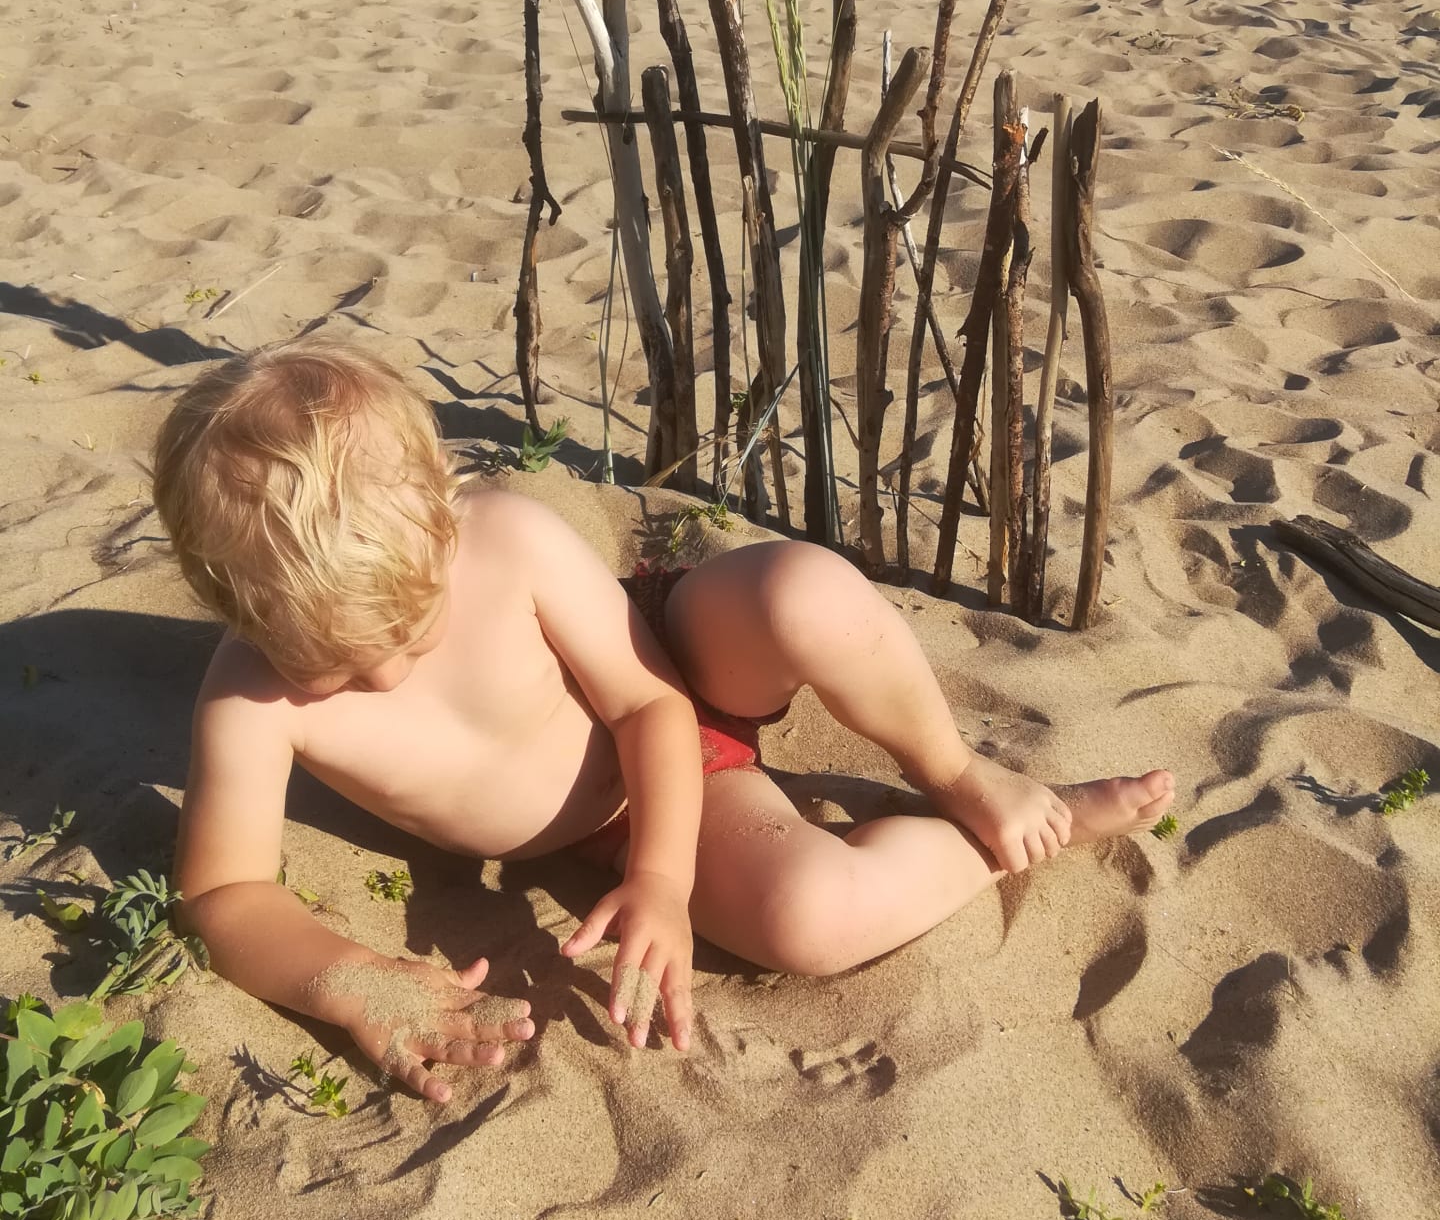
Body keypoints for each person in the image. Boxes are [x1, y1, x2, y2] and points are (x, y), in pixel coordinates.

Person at [153, 342, 1174, 1104]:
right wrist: (349, 981)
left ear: (440, 508)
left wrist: (663, 887)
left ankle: (958, 773)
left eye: (411, 623)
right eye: (330, 660)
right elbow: (225, 893)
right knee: (811, 918)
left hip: (659, 668)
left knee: (806, 590)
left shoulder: (504, 540)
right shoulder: (249, 698)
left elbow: (650, 701)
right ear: (235, 609)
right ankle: (996, 847)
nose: (381, 670)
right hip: (628, 811)